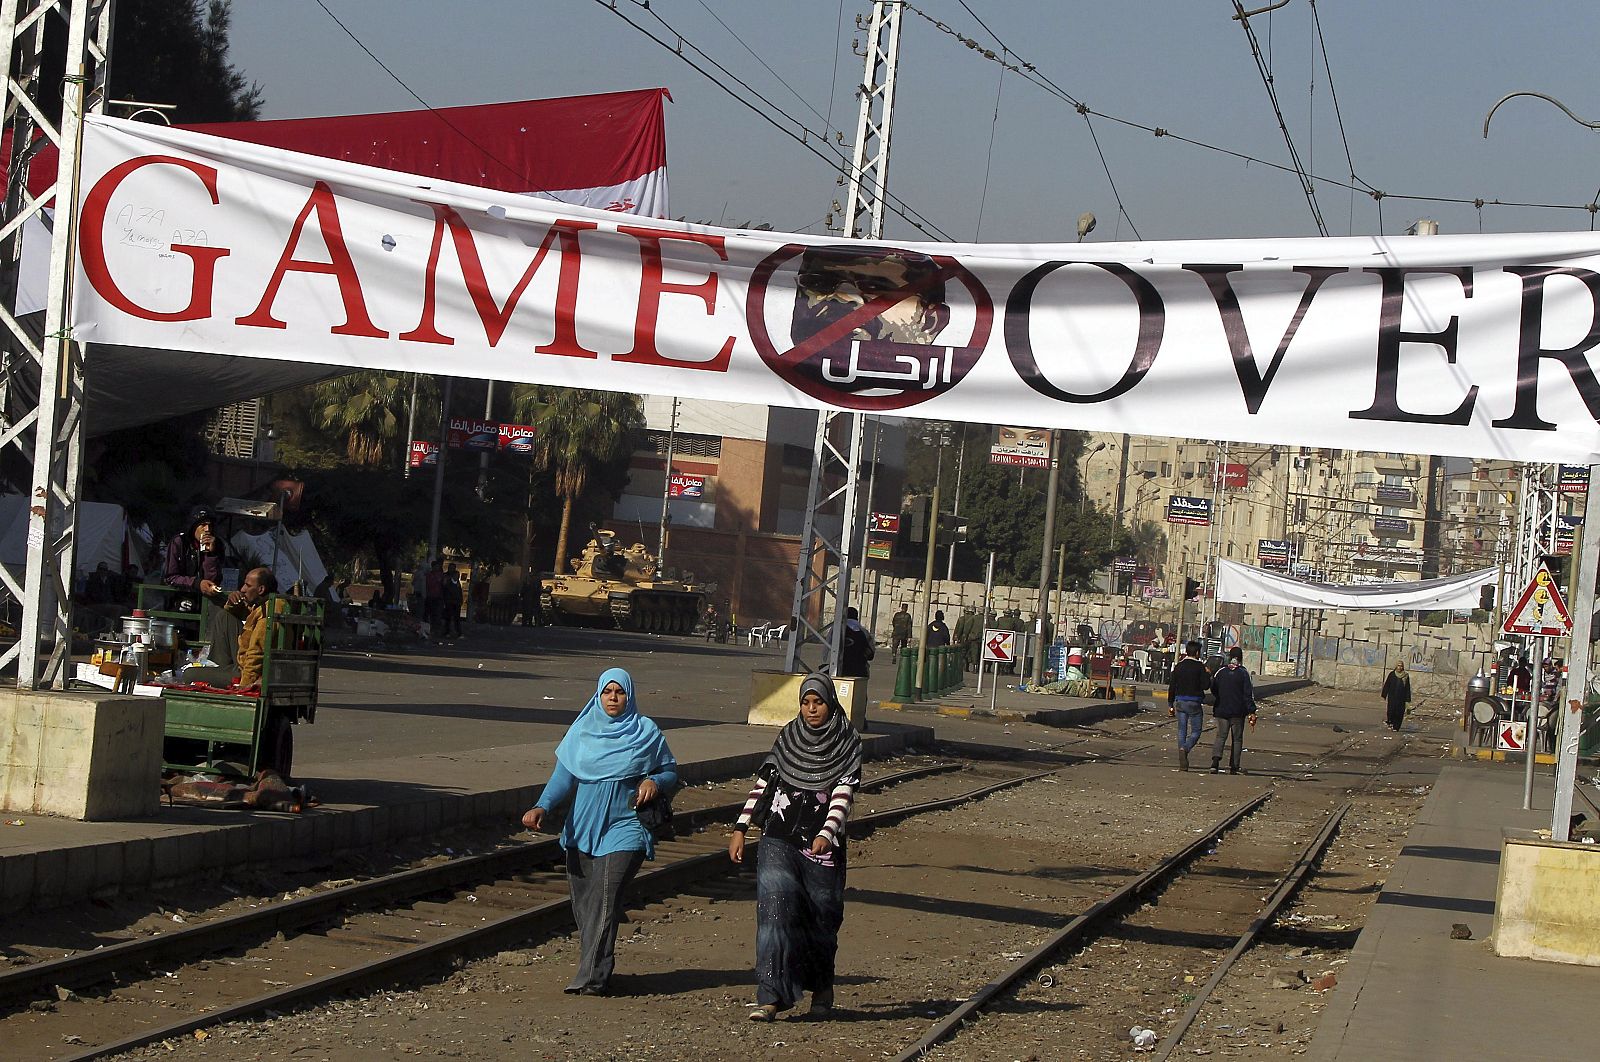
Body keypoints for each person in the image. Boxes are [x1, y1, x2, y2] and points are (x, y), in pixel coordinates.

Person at [521, 669, 678, 995]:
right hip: (582, 830)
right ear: (598, 695)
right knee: (585, 904)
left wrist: (654, 781)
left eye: (619, 692)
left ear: (629, 695)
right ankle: (598, 968)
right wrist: (541, 806)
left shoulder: (645, 732)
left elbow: (669, 771)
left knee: (604, 900)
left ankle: (592, 977)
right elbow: (562, 777)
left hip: (626, 828)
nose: (613, 698)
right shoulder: (581, 733)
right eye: (607, 692)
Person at [729, 673, 863, 1022]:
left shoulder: (847, 741)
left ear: (830, 702)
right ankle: (770, 996)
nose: (811, 709)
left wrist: (827, 832)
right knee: (774, 912)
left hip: (823, 846)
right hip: (779, 837)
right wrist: (741, 827)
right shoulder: (789, 736)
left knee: (822, 918)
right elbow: (765, 784)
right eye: (805, 702)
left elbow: (843, 795)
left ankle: (821, 988)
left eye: (817, 702)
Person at [162, 509, 224, 613]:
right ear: (194, 527)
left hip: (205, 602)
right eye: (203, 525)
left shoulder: (218, 544)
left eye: (210, 525)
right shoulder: (179, 542)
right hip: (179, 598)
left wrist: (210, 554)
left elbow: (213, 580)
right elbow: (170, 577)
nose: (207, 529)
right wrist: (196, 583)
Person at [1209, 646, 1256, 774]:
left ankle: (1215, 763)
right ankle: (1234, 766)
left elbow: (1213, 688)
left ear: (1229, 657)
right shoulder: (1243, 673)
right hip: (1238, 711)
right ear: (1240, 658)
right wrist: (1252, 710)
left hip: (1221, 710)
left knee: (1220, 736)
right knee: (1237, 739)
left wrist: (1221, 697)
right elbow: (1248, 694)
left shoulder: (1221, 671)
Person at [230, 566, 278, 688]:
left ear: (261, 589)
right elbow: (238, 614)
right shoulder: (260, 606)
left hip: (249, 675)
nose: (242, 589)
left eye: (248, 586)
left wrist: (244, 685)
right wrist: (232, 603)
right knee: (223, 616)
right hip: (244, 667)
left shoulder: (268, 610)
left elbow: (257, 653)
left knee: (191, 674)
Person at [1168, 640, 1210, 771]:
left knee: (1182, 730)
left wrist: (1170, 704)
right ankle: (1185, 748)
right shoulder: (1200, 667)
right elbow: (1205, 686)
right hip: (1194, 702)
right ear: (1197, 652)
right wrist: (1208, 674)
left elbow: (1172, 686)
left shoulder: (1179, 666)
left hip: (1180, 701)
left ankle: (1182, 760)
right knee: (1196, 731)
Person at [838, 606, 874, 678]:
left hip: (837, 669)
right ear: (856, 617)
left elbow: (826, 653)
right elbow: (870, 655)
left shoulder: (836, 629)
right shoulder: (863, 632)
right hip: (858, 670)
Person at [1381, 660, 1411, 732]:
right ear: (1396, 666)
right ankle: (1390, 722)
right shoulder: (1392, 674)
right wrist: (1384, 694)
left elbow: (1407, 688)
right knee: (1391, 711)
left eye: (1401, 666)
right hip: (1392, 697)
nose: (1400, 667)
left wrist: (1408, 700)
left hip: (1401, 698)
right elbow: (1387, 684)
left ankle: (1396, 727)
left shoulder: (1405, 676)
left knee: (1399, 713)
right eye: (1398, 665)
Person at [442, 563, 464, 637]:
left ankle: (458, 632)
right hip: (450, 602)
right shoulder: (448, 581)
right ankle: (447, 632)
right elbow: (447, 591)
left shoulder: (457, 583)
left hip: (456, 602)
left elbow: (459, 592)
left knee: (456, 618)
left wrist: (460, 600)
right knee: (448, 617)